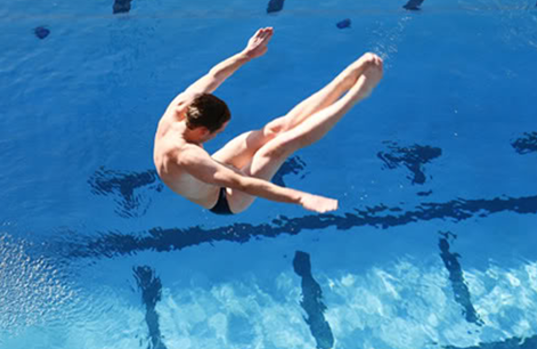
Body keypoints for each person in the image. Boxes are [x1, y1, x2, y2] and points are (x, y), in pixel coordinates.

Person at [153, 27, 383, 215]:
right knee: (277, 147)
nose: (220, 134)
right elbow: (243, 184)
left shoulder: (182, 108)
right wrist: (300, 197)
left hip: (216, 168)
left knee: (277, 128)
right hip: (225, 198)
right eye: (218, 132)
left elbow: (214, 76)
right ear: (203, 131)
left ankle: (345, 79)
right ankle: (356, 96)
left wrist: (247, 54)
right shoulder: (187, 156)